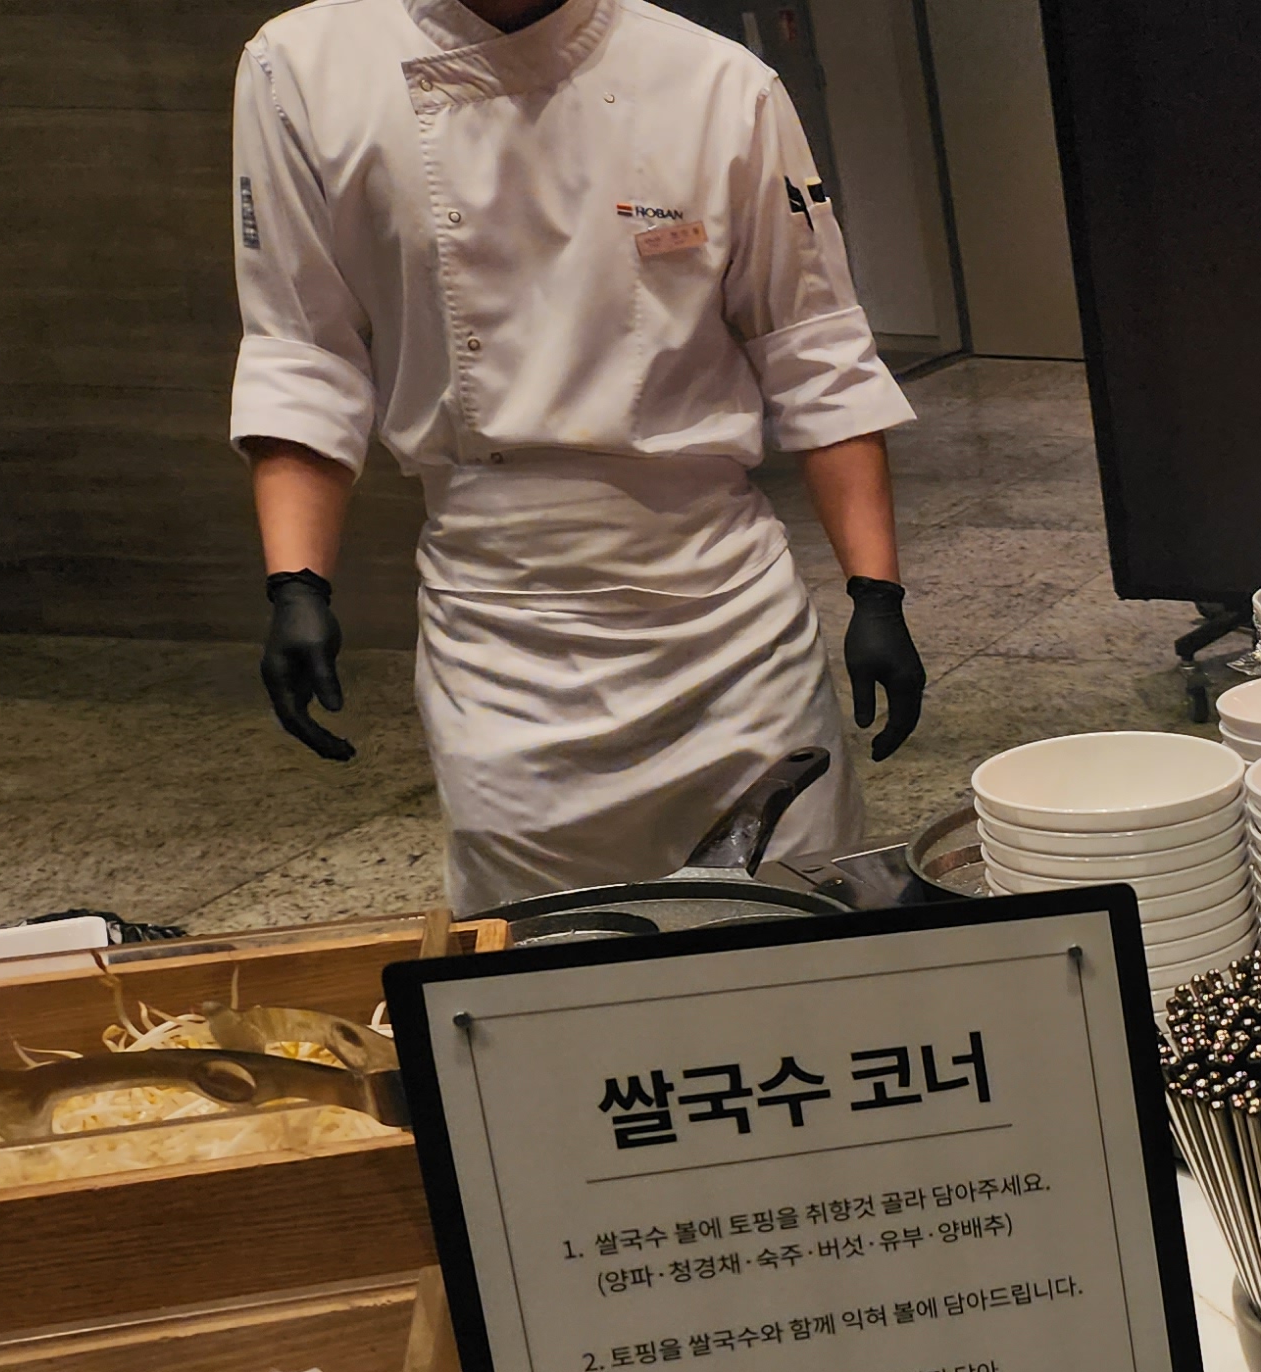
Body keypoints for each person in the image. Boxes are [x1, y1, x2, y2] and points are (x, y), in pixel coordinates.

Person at [229, 0, 926, 914]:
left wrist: (876, 593)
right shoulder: (303, 68)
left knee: (787, 922)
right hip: (498, 625)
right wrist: (297, 584)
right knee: (543, 950)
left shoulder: (719, 84)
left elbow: (813, 350)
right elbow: (303, 349)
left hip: (723, 614)